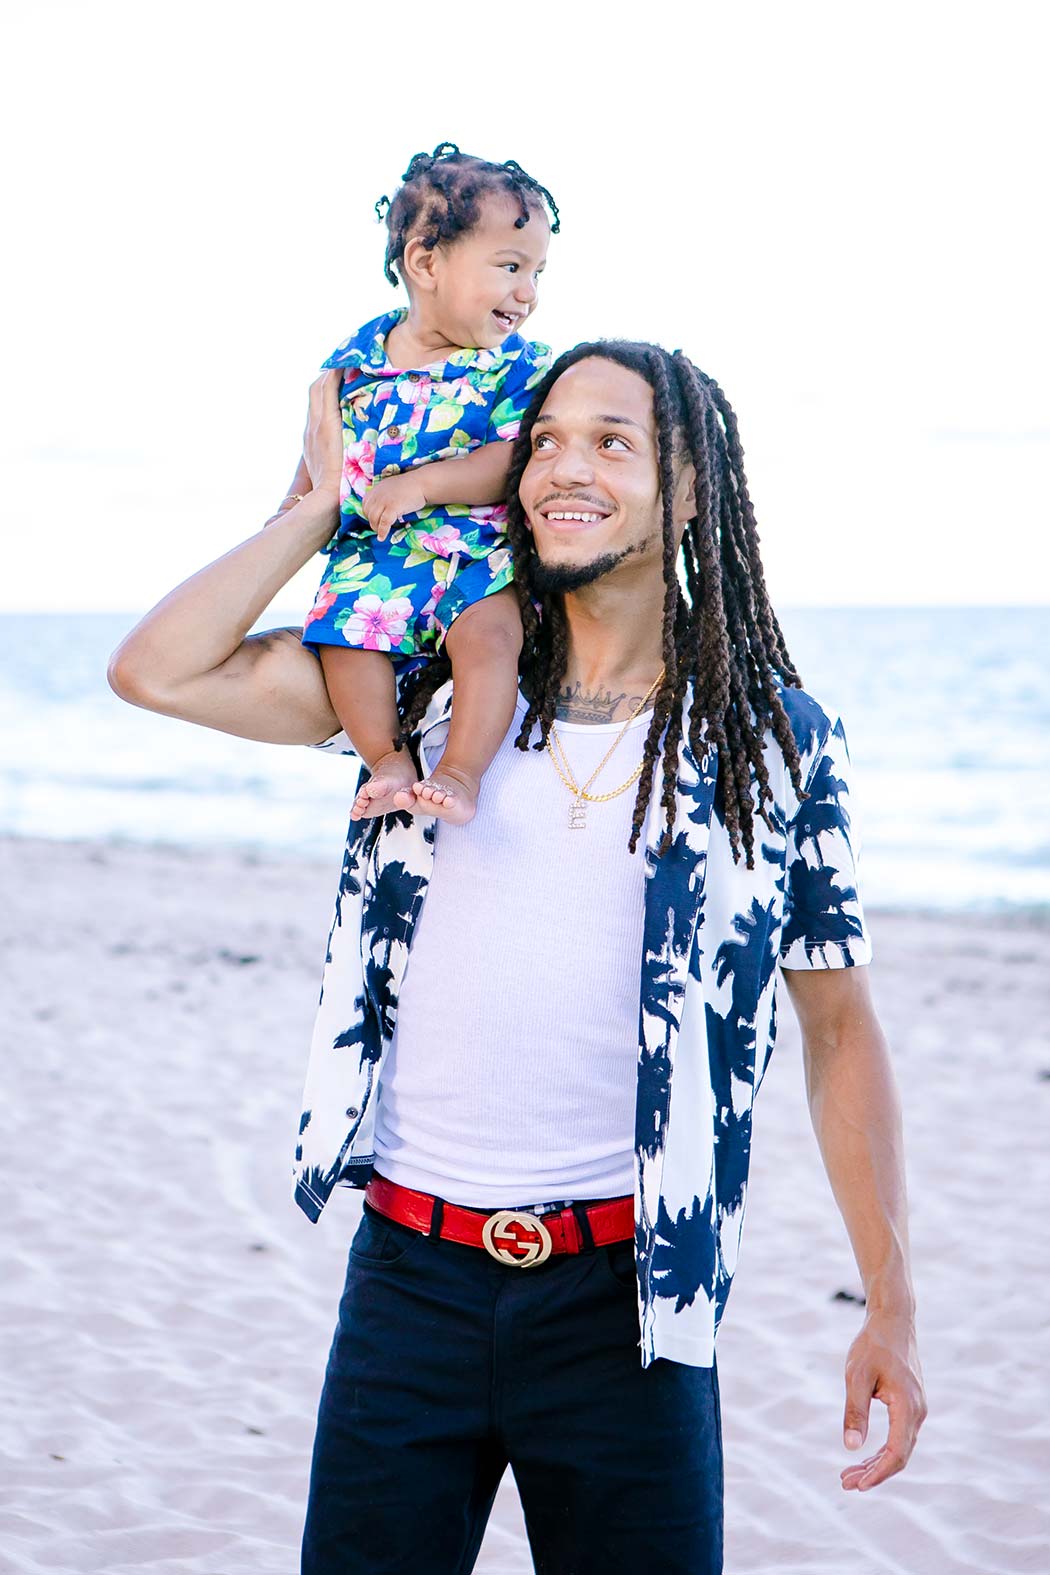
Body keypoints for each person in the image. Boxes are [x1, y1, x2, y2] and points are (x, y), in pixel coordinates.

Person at [109, 342, 927, 1575]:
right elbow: (155, 669)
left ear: (692, 489)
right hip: (408, 1289)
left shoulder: (772, 741)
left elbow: (839, 1029)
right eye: (544, 439)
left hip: (633, 1310)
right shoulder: (433, 692)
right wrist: (327, 501)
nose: (562, 466)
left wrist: (893, 1304)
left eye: (612, 441)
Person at [298, 143, 556, 827]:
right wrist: (291, 510)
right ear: (425, 262)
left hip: (476, 554)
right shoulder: (354, 362)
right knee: (343, 644)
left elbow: (515, 457)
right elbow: (322, 448)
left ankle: (461, 773)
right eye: (509, 267)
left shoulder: (516, 368)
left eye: (536, 272)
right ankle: (386, 758)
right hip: (375, 558)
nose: (527, 293)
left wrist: (425, 484)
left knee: (492, 641)